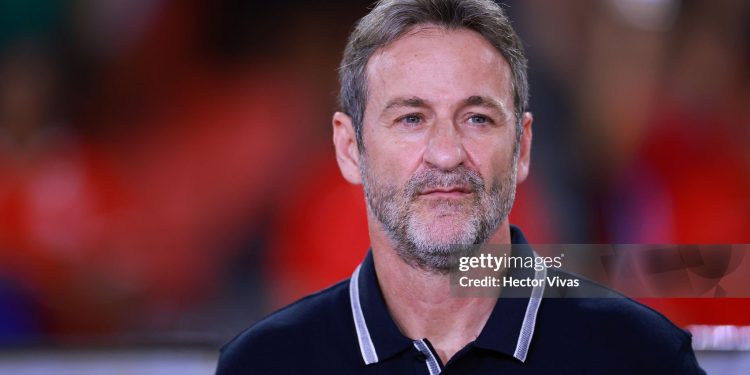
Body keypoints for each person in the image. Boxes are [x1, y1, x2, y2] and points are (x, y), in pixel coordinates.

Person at [216, 0, 705, 373]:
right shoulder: (264, 363)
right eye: (412, 118)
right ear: (349, 148)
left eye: (476, 117)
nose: (446, 153)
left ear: (522, 147)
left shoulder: (645, 357)